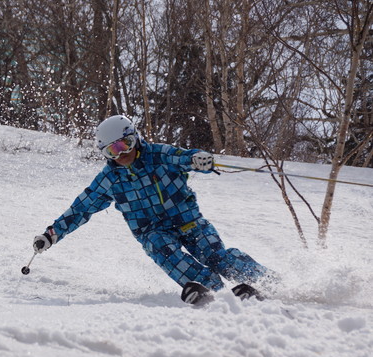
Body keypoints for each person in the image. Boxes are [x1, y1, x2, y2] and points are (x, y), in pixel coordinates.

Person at [32, 114, 273, 305]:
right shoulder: (109, 180)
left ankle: (266, 283)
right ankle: (213, 291)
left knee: (214, 255)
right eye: (112, 151)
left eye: (125, 144)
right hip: (153, 231)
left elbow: (186, 158)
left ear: (134, 138)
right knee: (160, 248)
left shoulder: (159, 155)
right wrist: (51, 235)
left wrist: (201, 160)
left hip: (189, 221)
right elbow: (80, 209)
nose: (122, 153)